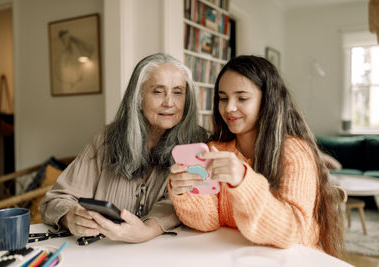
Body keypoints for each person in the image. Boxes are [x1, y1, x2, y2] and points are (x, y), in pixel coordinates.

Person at [168, 55, 343, 257]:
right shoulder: (217, 149)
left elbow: (293, 233)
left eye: (242, 98)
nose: (229, 108)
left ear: (267, 100)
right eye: (223, 98)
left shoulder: (294, 152)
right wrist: (184, 191)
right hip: (233, 258)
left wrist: (243, 181)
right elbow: (208, 222)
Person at [41, 53, 207, 243]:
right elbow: (55, 200)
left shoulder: (199, 143)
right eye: (158, 92)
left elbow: (196, 205)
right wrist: (70, 217)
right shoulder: (105, 139)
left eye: (178, 92)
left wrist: (148, 229)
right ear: (138, 97)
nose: (169, 102)